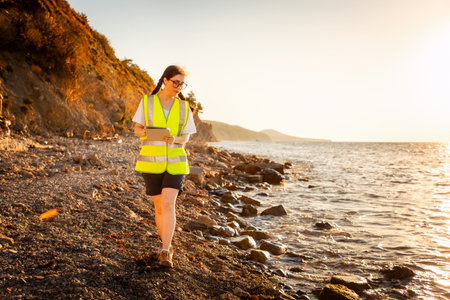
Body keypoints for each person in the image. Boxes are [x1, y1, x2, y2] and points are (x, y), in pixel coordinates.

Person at [132, 65, 196, 268]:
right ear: (165, 80)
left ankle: (166, 251)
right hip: (151, 162)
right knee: (159, 208)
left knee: (169, 204)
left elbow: (186, 137)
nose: (178, 87)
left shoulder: (185, 107)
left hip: (176, 162)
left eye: (182, 83)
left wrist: (174, 138)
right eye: (175, 82)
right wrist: (149, 132)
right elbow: (137, 130)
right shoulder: (147, 101)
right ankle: (165, 245)